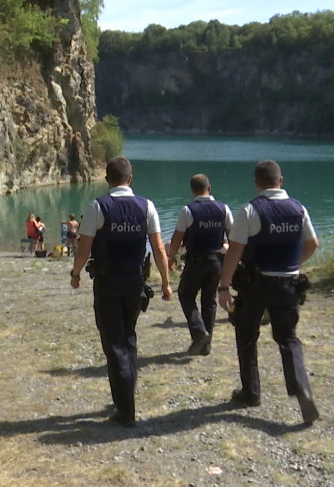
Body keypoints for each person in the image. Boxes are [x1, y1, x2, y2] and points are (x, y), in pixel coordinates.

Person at [70, 157, 173, 427]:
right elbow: (159, 248)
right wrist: (165, 281)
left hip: (107, 282)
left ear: (107, 179)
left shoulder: (98, 207)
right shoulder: (147, 206)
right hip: (136, 282)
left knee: (114, 341)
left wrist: (76, 273)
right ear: (130, 178)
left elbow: (84, 247)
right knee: (128, 336)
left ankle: (125, 410)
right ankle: (126, 396)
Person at [217, 160, 320, 425]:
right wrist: (294, 266)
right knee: (288, 338)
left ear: (257, 183)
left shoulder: (250, 210)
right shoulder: (299, 209)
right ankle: (302, 389)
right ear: (281, 181)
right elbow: (312, 243)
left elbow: (235, 251)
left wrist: (224, 286)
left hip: (256, 285)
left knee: (246, 333)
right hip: (288, 284)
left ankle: (251, 392)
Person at [167, 174, 233, 356]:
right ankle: (206, 346)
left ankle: (198, 331)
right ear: (209, 188)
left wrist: (171, 257)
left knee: (186, 295)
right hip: (216, 262)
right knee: (209, 301)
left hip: (196, 262)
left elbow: (177, 238)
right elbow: (232, 237)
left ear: (192, 190)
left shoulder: (188, 211)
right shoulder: (224, 209)